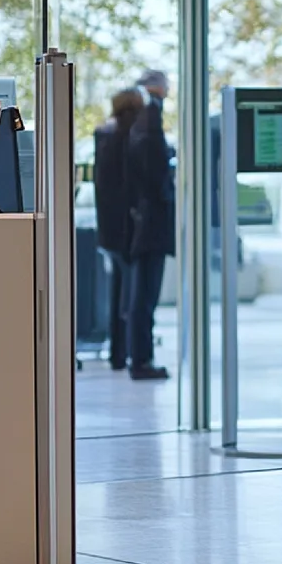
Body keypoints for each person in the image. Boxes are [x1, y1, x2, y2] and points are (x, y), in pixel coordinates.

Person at [125, 70, 175, 381]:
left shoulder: (135, 122)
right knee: (145, 296)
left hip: (141, 225)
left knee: (140, 296)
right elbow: (155, 173)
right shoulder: (149, 119)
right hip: (150, 228)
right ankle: (141, 359)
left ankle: (139, 356)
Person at [93, 88, 145, 372]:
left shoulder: (104, 135)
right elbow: (129, 186)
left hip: (109, 229)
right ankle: (129, 352)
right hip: (125, 229)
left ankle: (118, 353)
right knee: (131, 296)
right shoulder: (127, 135)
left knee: (118, 295)